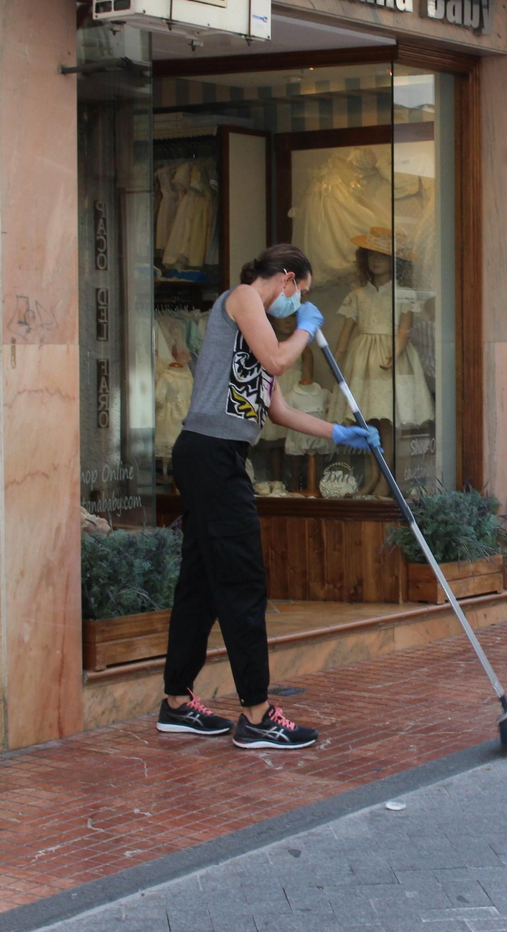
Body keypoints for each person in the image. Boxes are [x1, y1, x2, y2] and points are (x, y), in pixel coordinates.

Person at [157, 244, 379, 749]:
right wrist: (304, 329)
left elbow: (276, 410)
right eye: (299, 291)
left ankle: (176, 703)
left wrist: (340, 434)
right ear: (284, 278)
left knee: (203, 583)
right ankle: (257, 714)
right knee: (243, 581)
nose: (298, 302)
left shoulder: (258, 327)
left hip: (220, 455)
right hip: (210, 454)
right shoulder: (241, 300)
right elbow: (278, 360)